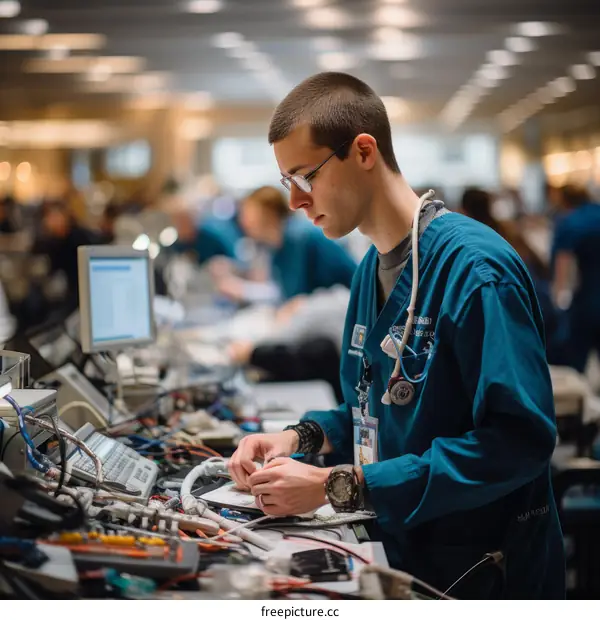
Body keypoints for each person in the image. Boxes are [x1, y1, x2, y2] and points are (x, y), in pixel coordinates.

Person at [228, 72, 564, 599]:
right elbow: (376, 410)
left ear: (364, 151)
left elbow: (519, 443)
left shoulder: (474, 271)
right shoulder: (371, 270)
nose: (295, 201)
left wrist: (339, 486)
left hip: (478, 568)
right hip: (400, 547)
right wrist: (298, 438)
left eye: (304, 176)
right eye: (285, 183)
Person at [216, 186, 357, 303]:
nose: (243, 221)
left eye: (248, 214)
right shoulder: (277, 246)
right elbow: (283, 293)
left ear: (268, 213)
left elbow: (297, 296)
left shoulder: (298, 237)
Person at [552, 187, 600, 373]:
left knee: (574, 366)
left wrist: (559, 303)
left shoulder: (570, 223)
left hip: (586, 302)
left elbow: (563, 268)